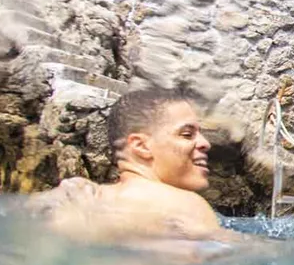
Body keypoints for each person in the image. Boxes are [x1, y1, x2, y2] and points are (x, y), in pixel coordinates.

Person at [29, 88, 242, 250]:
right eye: (187, 134)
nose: (205, 143)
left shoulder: (79, 198)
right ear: (141, 146)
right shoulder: (184, 206)